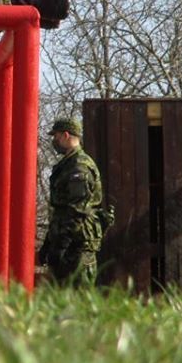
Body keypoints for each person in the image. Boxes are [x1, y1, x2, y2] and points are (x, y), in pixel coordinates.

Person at [38, 117, 115, 286]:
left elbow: (76, 211)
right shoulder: (68, 164)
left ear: (66, 135)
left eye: (56, 137)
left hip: (77, 245)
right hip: (67, 243)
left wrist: (60, 246)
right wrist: (49, 245)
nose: (54, 141)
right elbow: (60, 211)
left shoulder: (79, 166)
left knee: (79, 297)